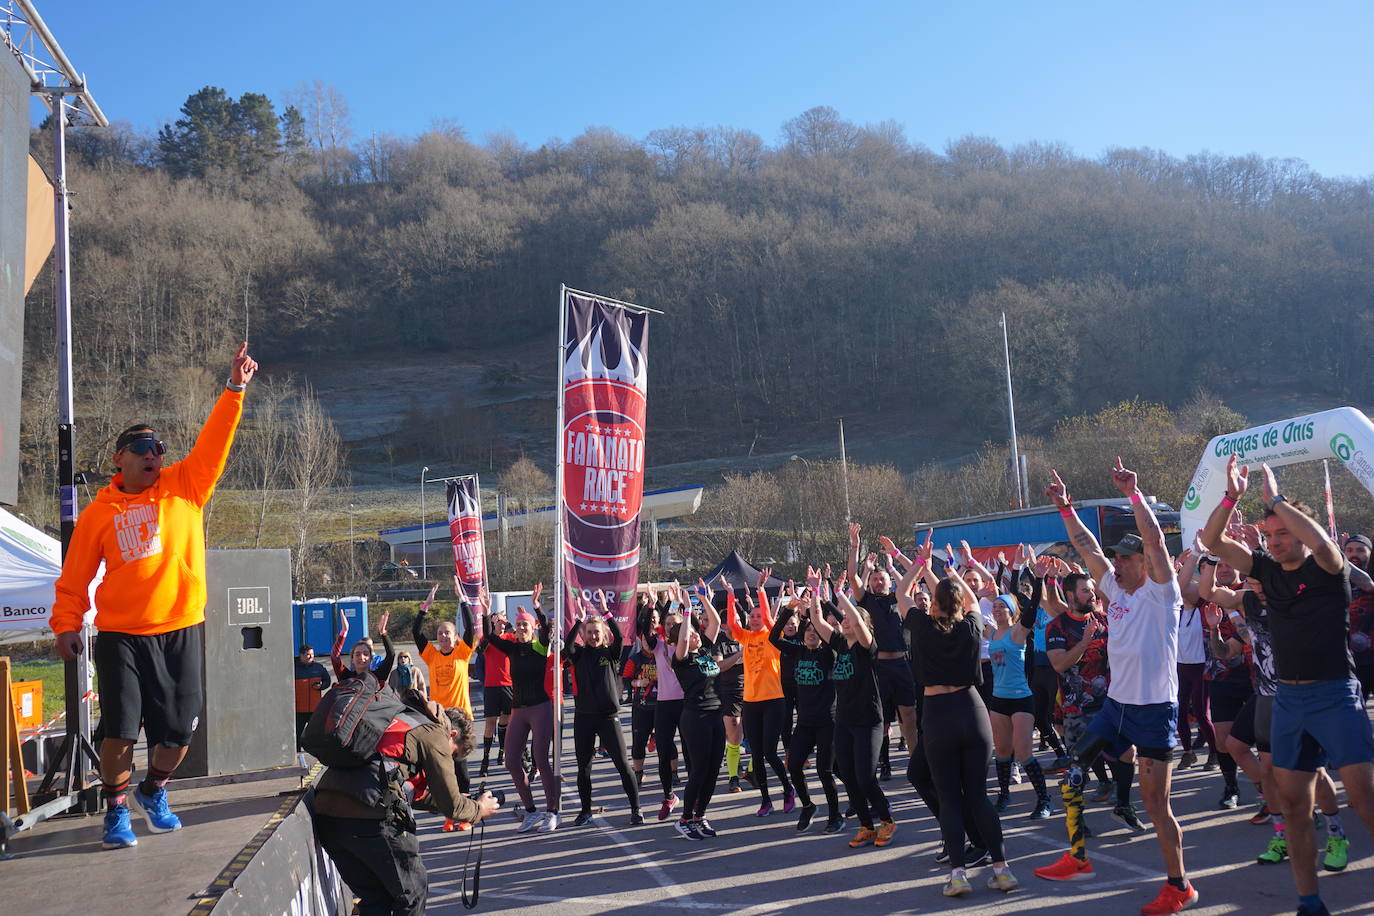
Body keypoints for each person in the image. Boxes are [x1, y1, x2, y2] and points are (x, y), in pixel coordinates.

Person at [50, 343, 257, 850]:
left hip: (180, 627)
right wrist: (66, 625)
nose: (151, 455)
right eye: (140, 448)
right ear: (118, 459)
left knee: (180, 734)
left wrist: (234, 390)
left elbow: (214, 444)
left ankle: (153, 790)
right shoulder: (99, 514)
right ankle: (116, 812)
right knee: (120, 729)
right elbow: (74, 577)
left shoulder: (185, 486)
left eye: (158, 448)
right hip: (122, 634)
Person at [1199, 458, 1374, 916]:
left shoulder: (1329, 568)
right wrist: (1232, 496)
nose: (1274, 542)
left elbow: (1320, 540)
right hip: (1288, 701)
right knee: (1295, 806)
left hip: (1335, 693)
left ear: (1299, 533)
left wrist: (1274, 498)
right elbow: (1212, 541)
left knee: (1363, 796)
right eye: (1269, 535)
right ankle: (1308, 901)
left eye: (1282, 533)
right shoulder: (1265, 570)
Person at [1033, 461, 1198, 916]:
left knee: (1156, 805)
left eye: (1126, 558)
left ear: (1145, 562)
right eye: (1118, 559)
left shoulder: (1162, 594)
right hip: (1116, 707)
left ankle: (1179, 885)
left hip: (1153, 711)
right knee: (1072, 767)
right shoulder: (1116, 592)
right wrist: (1065, 507)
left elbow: (1156, 541)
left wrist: (1134, 495)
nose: (1117, 564)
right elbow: (1086, 547)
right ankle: (1077, 856)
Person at [899, 536, 1018, 897]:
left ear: (932, 604)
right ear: (961, 603)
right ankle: (1001, 869)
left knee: (951, 799)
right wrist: (949, 573)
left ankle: (958, 875)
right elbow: (967, 597)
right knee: (978, 796)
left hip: (938, 714)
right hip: (972, 710)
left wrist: (921, 564)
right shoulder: (971, 625)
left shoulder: (921, 626)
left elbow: (902, 595)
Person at [310, 699, 501, 915]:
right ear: (453, 735)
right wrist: (478, 809)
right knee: (413, 893)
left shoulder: (401, 718)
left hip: (328, 812)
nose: (451, 759)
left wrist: (459, 801)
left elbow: (405, 789)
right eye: (453, 755)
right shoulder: (435, 733)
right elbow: (453, 806)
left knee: (376, 899)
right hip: (371, 816)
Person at [810, 584, 897, 850]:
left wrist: (842, 598)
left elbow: (858, 621)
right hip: (844, 720)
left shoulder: (866, 646)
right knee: (848, 774)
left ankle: (886, 820)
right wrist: (815, 593)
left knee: (865, 777)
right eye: (843, 618)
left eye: (848, 618)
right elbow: (816, 620)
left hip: (868, 719)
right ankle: (866, 827)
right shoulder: (839, 643)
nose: (844, 621)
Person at [479, 596, 559, 832]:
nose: (521, 628)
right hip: (518, 710)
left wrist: (536, 608)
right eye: (519, 624)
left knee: (542, 760)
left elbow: (546, 628)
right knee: (511, 761)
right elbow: (490, 637)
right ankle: (531, 811)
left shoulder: (540, 646)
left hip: (540, 708)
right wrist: (485, 613)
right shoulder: (512, 647)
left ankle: (552, 812)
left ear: (532, 628)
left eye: (526, 624)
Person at [771, 572, 843, 833]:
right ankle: (808, 806)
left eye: (816, 630)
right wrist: (789, 608)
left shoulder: (830, 654)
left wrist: (820, 603)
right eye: (808, 630)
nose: (812, 634)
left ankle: (835, 815)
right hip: (805, 722)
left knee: (825, 770)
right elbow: (773, 637)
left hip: (829, 721)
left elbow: (837, 628)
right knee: (794, 766)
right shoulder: (797, 650)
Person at [986, 550, 1054, 819]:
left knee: (1024, 751)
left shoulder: (1018, 631)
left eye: (1003, 606)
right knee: (1002, 751)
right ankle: (1003, 795)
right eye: (995, 607)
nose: (998, 610)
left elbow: (1034, 607)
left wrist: (1038, 580)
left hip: (1021, 699)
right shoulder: (990, 632)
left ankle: (1044, 799)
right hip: (998, 700)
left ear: (1012, 611)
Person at [564, 593, 642, 826]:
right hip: (584, 718)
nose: (593, 635)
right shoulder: (578, 655)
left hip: (609, 717)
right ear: (584, 635)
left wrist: (606, 612)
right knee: (583, 768)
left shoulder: (610, 653)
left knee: (622, 764)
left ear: (603, 634)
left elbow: (619, 635)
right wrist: (578, 620)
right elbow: (568, 646)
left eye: (597, 632)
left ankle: (636, 809)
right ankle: (586, 810)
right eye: (589, 633)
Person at [847, 525, 919, 773]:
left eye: (882, 578)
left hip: (902, 664)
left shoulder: (899, 597)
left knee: (909, 715)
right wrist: (855, 546)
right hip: (878, 665)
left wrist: (896, 554)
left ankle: (916, 760)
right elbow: (853, 578)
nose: (878, 582)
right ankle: (884, 762)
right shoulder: (866, 600)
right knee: (882, 719)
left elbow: (915, 572)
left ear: (890, 580)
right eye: (875, 579)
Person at [725, 571, 795, 816]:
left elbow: (767, 617)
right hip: (751, 703)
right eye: (752, 616)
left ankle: (788, 789)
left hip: (774, 701)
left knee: (768, 752)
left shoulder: (772, 637)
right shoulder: (745, 638)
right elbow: (732, 624)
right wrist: (731, 596)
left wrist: (761, 590)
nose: (755, 619)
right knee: (756, 753)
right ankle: (765, 800)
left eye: (758, 616)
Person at [670, 591, 732, 840]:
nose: (696, 634)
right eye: (692, 633)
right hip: (695, 717)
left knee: (714, 769)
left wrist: (702, 598)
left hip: (716, 714)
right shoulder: (681, 659)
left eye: (697, 632)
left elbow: (715, 622)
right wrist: (686, 611)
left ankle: (699, 815)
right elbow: (683, 639)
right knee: (699, 769)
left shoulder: (705, 652)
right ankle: (685, 818)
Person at [639, 596, 688, 820]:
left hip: (686, 703)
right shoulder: (657, 645)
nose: (671, 627)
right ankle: (669, 796)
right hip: (665, 704)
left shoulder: (686, 645)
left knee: (689, 749)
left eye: (675, 624)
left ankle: (693, 793)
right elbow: (644, 631)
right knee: (663, 752)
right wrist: (652, 605)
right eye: (667, 624)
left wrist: (686, 609)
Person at [478, 599, 518, 777]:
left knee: (506, 720)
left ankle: (503, 751)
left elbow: (522, 638)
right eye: (497, 620)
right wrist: (488, 616)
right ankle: (485, 759)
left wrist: (508, 621)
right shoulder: (487, 639)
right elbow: (481, 649)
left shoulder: (510, 638)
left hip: (508, 685)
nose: (501, 623)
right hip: (491, 686)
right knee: (490, 724)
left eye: (503, 620)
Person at [294, 645, 332, 751]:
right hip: (299, 710)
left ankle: (318, 751)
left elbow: (327, 681)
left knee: (317, 733)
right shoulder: (294, 669)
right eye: (307, 654)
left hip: (315, 709)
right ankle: (297, 754)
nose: (311, 656)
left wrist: (322, 686)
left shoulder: (318, 668)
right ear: (301, 656)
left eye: (312, 654)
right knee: (297, 734)